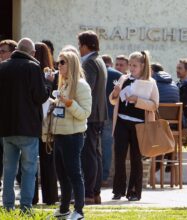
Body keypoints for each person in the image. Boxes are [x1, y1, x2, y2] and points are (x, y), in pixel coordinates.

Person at [0, 38, 49, 213]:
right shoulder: (33, 67)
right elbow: (40, 97)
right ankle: (26, 207)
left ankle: (7, 206)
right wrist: (48, 84)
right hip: (28, 128)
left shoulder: (3, 67)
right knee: (29, 169)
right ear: (32, 53)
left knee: (9, 170)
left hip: (6, 128)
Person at [110, 51, 159, 201]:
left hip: (139, 125)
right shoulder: (123, 78)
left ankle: (134, 192)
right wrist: (115, 93)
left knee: (136, 159)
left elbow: (154, 105)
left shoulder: (150, 82)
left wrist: (137, 100)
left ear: (142, 66)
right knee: (119, 157)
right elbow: (113, 101)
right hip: (121, 122)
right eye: (130, 65)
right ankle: (118, 190)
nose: (131, 68)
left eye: (134, 65)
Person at [50, 51, 92, 220]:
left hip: (73, 136)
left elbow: (85, 113)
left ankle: (79, 211)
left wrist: (68, 103)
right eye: (58, 62)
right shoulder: (64, 84)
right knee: (61, 174)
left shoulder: (81, 85)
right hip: (59, 134)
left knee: (74, 174)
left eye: (62, 62)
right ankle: (64, 209)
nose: (58, 65)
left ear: (71, 64)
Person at [78, 30, 108, 205]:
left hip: (90, 115)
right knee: (95, 153)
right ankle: (94, 193)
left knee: (89, 154)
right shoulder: (99, 60)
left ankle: (89, 193)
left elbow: (86, 90)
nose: (78, 48)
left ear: (85, 45)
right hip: (98, 114)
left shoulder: (89, 63)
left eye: (80, 44)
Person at [34, 42, 59, 205]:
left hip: (34, 121)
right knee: (48, 160)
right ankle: (50, 197)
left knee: (31, 161)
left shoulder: (32, 72)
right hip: (50, 122)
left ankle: (33, 197)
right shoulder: (55, 75)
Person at [101, 54, 122, 186]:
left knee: (93, 146)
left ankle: (95, 175)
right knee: (107, 145)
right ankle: (104, 175)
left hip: (96, 113)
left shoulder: (97, 71)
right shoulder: (118, 75)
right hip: (111, 113)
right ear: (111, 63)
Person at [0, 39, 17, 189]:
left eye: (3, 51)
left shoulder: (21, 70)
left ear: (12, 52)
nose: (0, 54)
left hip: (15, 124)